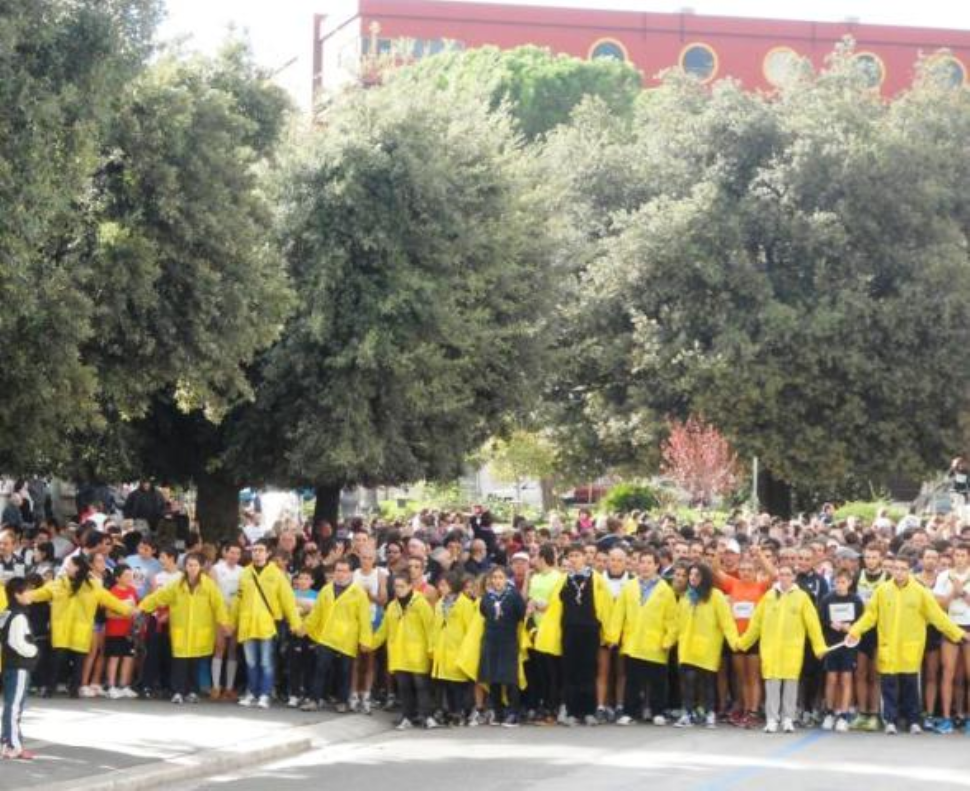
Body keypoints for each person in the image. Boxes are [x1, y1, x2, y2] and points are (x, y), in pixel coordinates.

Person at [847, 556, 969, 735]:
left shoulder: (920, 592)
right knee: (888, 687)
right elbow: (870, 616)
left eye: (903, 569)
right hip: (889, 648)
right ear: (892, 570)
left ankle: (913, 721)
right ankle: (890, 720)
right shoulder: (882, 591)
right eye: (896, 568)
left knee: (911, 688)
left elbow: (938, 617)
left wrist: (959, 634)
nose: (899, 572)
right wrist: (854, 631)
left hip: (910, 650)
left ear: (909, 571)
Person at [738, 565, 828, 733]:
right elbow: (756, 624)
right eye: (781, 574)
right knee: (772, 682)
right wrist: (743, 642)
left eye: (788, 574)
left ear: (793, 577)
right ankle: (772, 719)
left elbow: (813, 624)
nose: (784, 577)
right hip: (771, 648)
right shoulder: (768, 597)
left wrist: (819, 646)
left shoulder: (802, 597)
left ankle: (788, 718)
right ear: (778, 576)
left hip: (792, 649)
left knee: (790, 683)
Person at [29, 554, 134, 698]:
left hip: (80, 632)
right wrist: (19, 595)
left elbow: (111, 601)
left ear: (78, 568)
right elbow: (39, 594)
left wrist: (129, 610)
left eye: (70, 564)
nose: (66, 567)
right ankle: (50, 688)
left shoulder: (93, 586)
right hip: (62, 631)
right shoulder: (58, 583)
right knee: (57, 661)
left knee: (77, 663)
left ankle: (73, 690)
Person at [535, 543, 612, 726]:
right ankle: (571, 710)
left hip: (590, 630)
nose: (574, 559)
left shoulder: (596, 578)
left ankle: (588, 710)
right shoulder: (563, 579)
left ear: (585, 557)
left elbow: (606, 606)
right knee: (571, 671)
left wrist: (608, 633)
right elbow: (554, 605)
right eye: (571, 556)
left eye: (578, 555)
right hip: (569, 630)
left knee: (588, 670)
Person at [140, 552, 232, 704]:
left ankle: (193, 691)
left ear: (201, 566)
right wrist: (142, 607)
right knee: (179, 662)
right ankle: (177, 692)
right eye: (189, 565)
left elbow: (219, 605)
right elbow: (159, 596)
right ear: (185, 566)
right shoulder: (176, 584)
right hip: (181, 629)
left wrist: (224, 623)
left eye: (195, 565)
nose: (192, 568)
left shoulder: (209, 585)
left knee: (195, 662)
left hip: (199, 630)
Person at [607, 547, 678, 726]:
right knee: (632, 679)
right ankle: (630, 711)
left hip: (656, 642)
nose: (645, 566)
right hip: (633, 640)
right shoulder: (629, 587)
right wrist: (613, 636)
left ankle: (657, 711)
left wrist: (669, 639)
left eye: (649, 563)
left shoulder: (665, 590)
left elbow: (672, 618)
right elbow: (618, 613)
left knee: (657, 680)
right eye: (642, 562)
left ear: (656, 566)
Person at [233, 540, 303, 709]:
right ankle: (251, 693)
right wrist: (230, 621)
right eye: (254, 550)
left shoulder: (277, 574)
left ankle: (264, 694)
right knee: (250, 662)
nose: (257, 553)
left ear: (268, 553)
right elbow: (238, 600)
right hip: (247, 624)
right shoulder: (245, 574)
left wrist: (296, 623)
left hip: (267, 625)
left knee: (266, 662)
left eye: (260, 550)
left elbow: (288, 600)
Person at [301, 558, 373, 713]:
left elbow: (364, 619)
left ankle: (342, 701)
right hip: (327, 636)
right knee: (320, 668)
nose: (340, 574)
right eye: (338, 570)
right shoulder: (326, 589)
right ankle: (314, 700)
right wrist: (305, 628)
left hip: (347, 639)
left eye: (344, 571)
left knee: (344, 671)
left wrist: (365, 640)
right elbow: (316, 613)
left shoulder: (359, 593)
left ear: (350, 573)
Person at [675, 563, 740, 728]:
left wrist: (734, 641)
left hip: (707, 647)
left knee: (708, 682)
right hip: (687, 646)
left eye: (697, 575)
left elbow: (726, 621)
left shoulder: (716, 596)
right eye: (691, 575)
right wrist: (670, 640)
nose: (692, 578)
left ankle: (710, 713)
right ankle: (688, 713)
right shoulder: (685, 597)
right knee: (688, 682)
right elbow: (678, 622)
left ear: (705, 577)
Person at [379, 573, 437, 730]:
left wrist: (432, 648)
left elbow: (430, 627)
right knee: (404, 687)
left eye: (401, 586)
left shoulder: (421, 603)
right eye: (396, 586)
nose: (398, 590)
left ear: (410, 586)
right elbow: (384, 629)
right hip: (399, 654)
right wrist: (370, 643)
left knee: (421, 686)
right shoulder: (392, 606)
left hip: (418, 653)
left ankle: (427, 716)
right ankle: (407, 717)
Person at [475, 566, 527, 727]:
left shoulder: (513, 596)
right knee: (493, 677)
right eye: (494, 578)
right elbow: (484, 613)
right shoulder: (487, 598)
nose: (497, 581)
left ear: (506, 580)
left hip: (508, 640)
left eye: (500, 577)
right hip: (491, 640)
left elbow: (521, 614)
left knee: (509, 678)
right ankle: (498, 712)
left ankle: (513, 713)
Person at [819, 569, 864, 732]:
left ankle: (844, 715)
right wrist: (831, 624)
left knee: (846, 679)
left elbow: (861, 622)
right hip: (831, 645)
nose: (840, 585)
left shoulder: (856, 600)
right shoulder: (827, 600)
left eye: (843, 582)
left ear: (849, 583)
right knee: (831, 679)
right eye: (837, 582)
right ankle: (830, 713)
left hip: (848, 645)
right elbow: (821, 619)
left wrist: (850, 628)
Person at [933, 542, 970, 734]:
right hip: (950, 627)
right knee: (948, 672)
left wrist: (962, 592)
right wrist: (952, 592)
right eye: (957, 555)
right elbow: (939, 605)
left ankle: (966, 717)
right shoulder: (943, 576)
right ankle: (946, 717)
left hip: (969, 627)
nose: (960, 558)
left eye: (963, 555)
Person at [851, 544, 888, 731]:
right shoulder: (858, 576)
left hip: (880, 630)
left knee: (875, 674)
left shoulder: (887, 577)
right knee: (860, 673)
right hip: (862, 630)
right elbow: (851, 601)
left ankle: (874, 714)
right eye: (867, 557)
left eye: (874, 557)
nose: (870, 560)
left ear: (881, 558)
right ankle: (861, 713)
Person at [431, 571, 476, 725]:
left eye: (444, 585)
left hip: (458, 648)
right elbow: (435, 627)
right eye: (440, 585)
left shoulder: (465, 603)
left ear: (452, 585)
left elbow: (470, 628)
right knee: (445, 684)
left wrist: (467, 650)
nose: (440, 588)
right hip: (442, 649)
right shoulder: (439, 603)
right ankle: (450, 711)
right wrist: (433, 646)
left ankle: (460, 711)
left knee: (458, 685)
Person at [1, 578, 38, 760]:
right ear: (17, 594)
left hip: (9, 664)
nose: (31, 593)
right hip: (19, 666)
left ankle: (10, 741)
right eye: (27, 591)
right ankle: (12, 745)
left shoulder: (7, 613)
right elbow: (17, 642)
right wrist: (33, 651)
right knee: (14, 706)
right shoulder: (19, 616)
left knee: (11, 705)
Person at [210, 542, 242, 700]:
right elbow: (214, 593)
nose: (234, 556)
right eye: (231, 552)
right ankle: (216, 686)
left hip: (236, 614)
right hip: (220, 612)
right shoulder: (216, 569)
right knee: (219, 647)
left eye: (237, 553)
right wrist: (222, 617)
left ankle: (229, 688)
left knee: (233, 650)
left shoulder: (242, 571)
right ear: (225, 553)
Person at [104, 564, 139, 700]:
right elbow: (108, 613)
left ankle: (124, 685)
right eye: (126, 575)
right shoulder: (113, 592)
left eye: (131, 575)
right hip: (114, 631)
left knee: (128, 658)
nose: (129, 578)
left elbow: (136, 607)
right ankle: (111, 686)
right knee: (114, 658)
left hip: (129, 631)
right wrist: (125, 615)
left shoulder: (132, 591)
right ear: (118, 577)